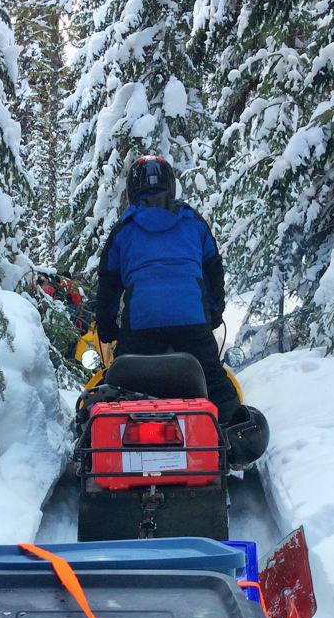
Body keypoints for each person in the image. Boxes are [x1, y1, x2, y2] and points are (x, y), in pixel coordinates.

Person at [95, 155, 247, 425]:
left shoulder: (124, 229)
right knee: (213, 383)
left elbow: (108, 281)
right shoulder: (193, 221)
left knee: (119, 386)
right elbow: (212, 270)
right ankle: (233, 439)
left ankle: (101, 442)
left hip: (140, 326)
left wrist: (107, 328)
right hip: (192, 323)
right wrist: (214, 312)